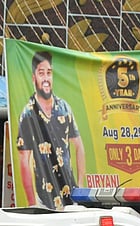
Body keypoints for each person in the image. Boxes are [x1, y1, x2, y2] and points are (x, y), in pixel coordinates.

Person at [15, 50, 86, 210]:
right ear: (34, 78)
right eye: (41, 73)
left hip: (70, 199)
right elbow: (23, 159)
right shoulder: (28, 113)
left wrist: (80, 186)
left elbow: (79, 147)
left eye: (49, 73)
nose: (46, 78)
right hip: (44, 201)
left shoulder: (64, 108)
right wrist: (32, 203)